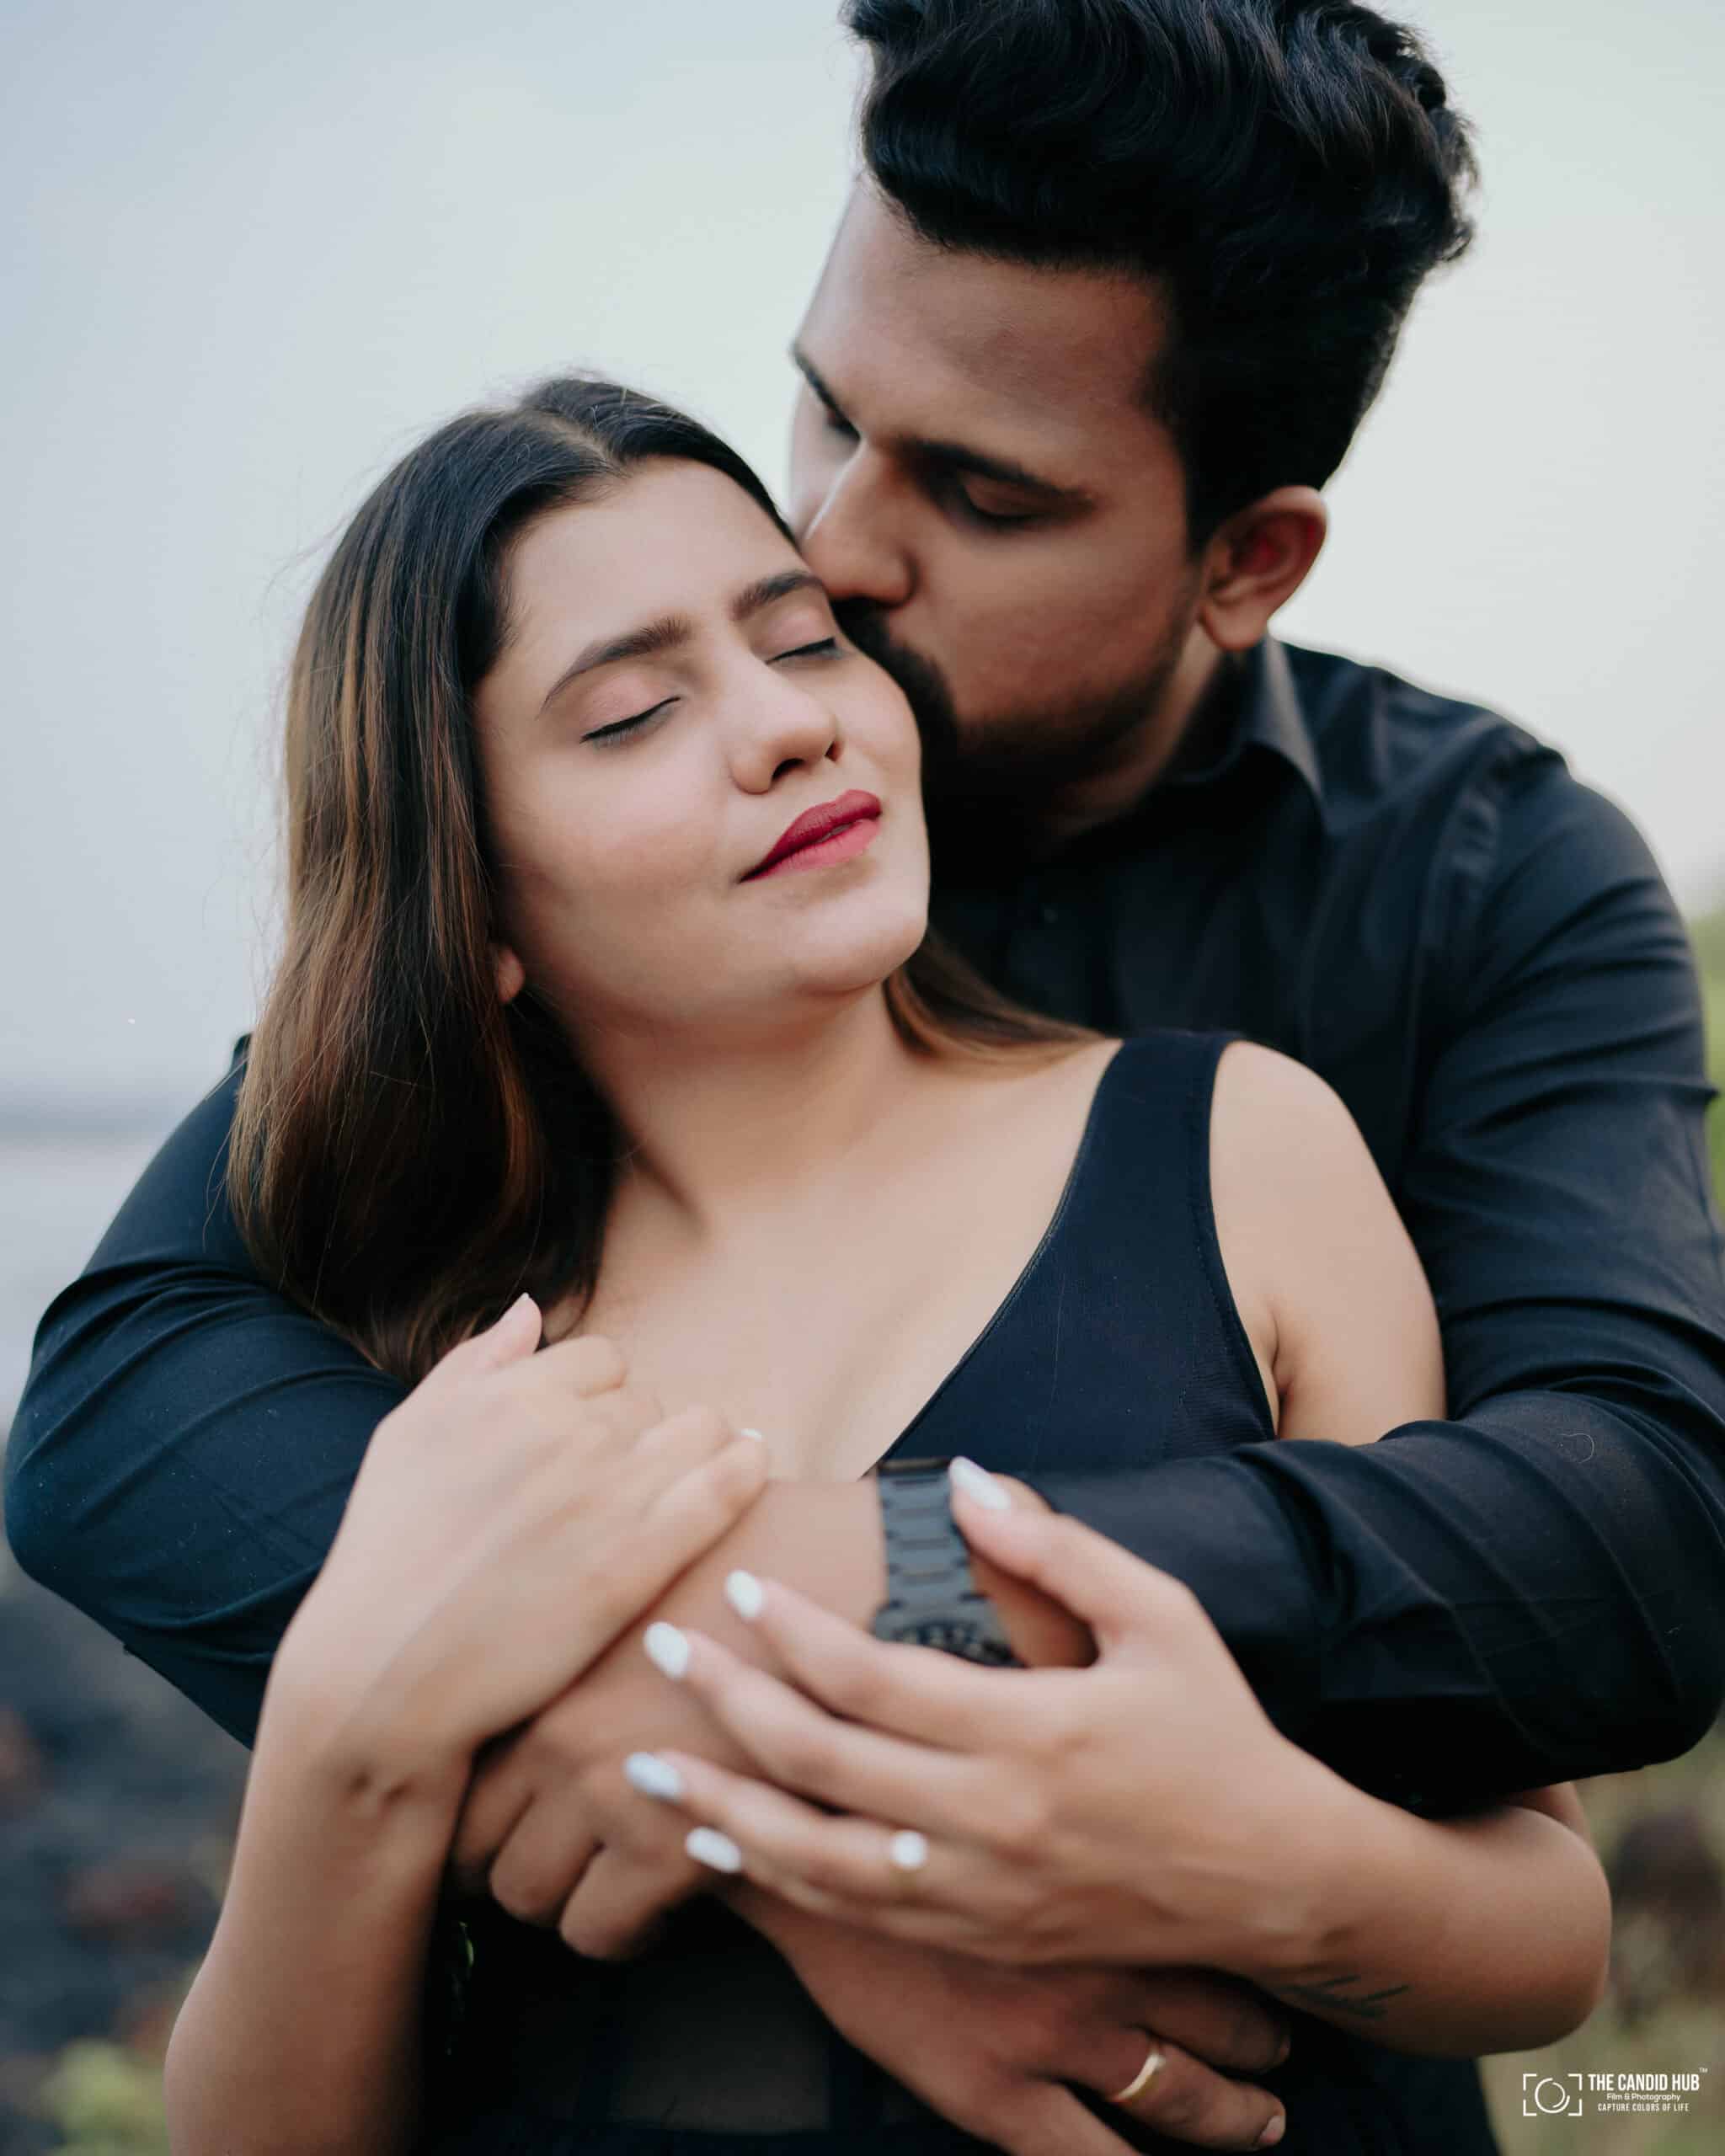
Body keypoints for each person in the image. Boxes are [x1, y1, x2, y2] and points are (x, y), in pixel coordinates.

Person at [9, 0, 1725, 2134]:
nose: (834, 545)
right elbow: (127, 1386)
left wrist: (870, 1602)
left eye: (983, 494)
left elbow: (1629, 1534)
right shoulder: (527, 1152)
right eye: (825, 411)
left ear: (1243, 559)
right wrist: (730, 1785)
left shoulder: (1462, 907)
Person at [152, 374, 1608, 2156]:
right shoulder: (444, 1358)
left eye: (805, 641)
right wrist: (339, 1743)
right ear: (472, 905)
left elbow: (1547, 1931)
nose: (787, 725)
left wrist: (1243, 1849)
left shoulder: (1238, 1153)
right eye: (631, 713)